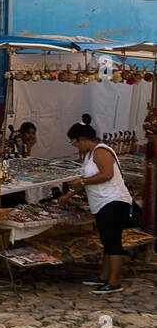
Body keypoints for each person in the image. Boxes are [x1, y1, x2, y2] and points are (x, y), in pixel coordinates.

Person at [66, 114, 134, 295]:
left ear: (81, 139)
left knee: (113, 242)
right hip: (102, 203)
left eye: (74, 143)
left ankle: (114, 282)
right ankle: (104, 276)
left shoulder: (101, 151)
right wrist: (71, 193)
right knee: (107, 240)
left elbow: (106, 175)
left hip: (113, 201)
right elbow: (89, 179)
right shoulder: (89, 154)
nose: (75, 147)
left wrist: (81, 182)